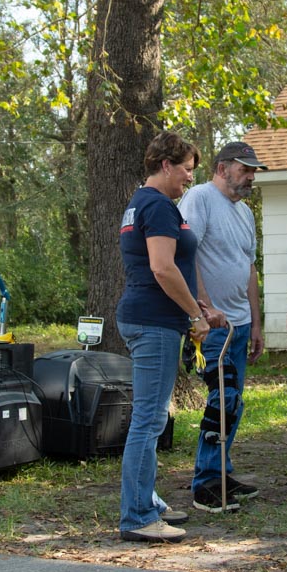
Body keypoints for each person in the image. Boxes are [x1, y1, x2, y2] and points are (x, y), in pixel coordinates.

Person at [115, 132, 226, 543]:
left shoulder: (139, 203)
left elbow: (169, 266)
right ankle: (138, 516)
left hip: (148, 317)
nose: (188, 179)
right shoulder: (159, 206)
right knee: (148, 421)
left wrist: (200, 303)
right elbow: (162, 269)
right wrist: (196, 315)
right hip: (154, 322)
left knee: (152, 417)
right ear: (165, 165)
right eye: (185, 169)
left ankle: (148, 500)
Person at [180, 140, 269, 514]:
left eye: (253, 170)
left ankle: (221, 471)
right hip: (212, 325)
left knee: (234, 403)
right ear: (221, 168)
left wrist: (257, 323)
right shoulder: (199, 198)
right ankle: (205, 484)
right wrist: (204, 308)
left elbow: (249, 269)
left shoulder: (245, 213)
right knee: (223, 401)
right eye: (245, 169)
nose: (250, 176)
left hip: (239, 326)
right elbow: (186, 253)